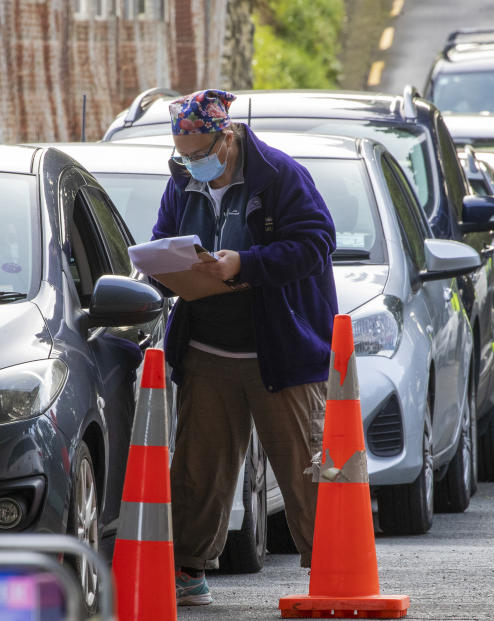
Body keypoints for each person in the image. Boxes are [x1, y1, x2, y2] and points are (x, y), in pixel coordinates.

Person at [151, 89, 338, 606]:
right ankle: (187, 572)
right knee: (198, 468)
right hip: (209, 348)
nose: (191, 163)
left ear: (226, 138)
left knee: (306, 470)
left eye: (198, 152)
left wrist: (243, 265)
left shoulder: (279, 176)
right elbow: (165, 236)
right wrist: (165, 271)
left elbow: (316, 241)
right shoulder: (183, 182)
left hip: (280, 350)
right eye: (182, 154)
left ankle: (334, 572)